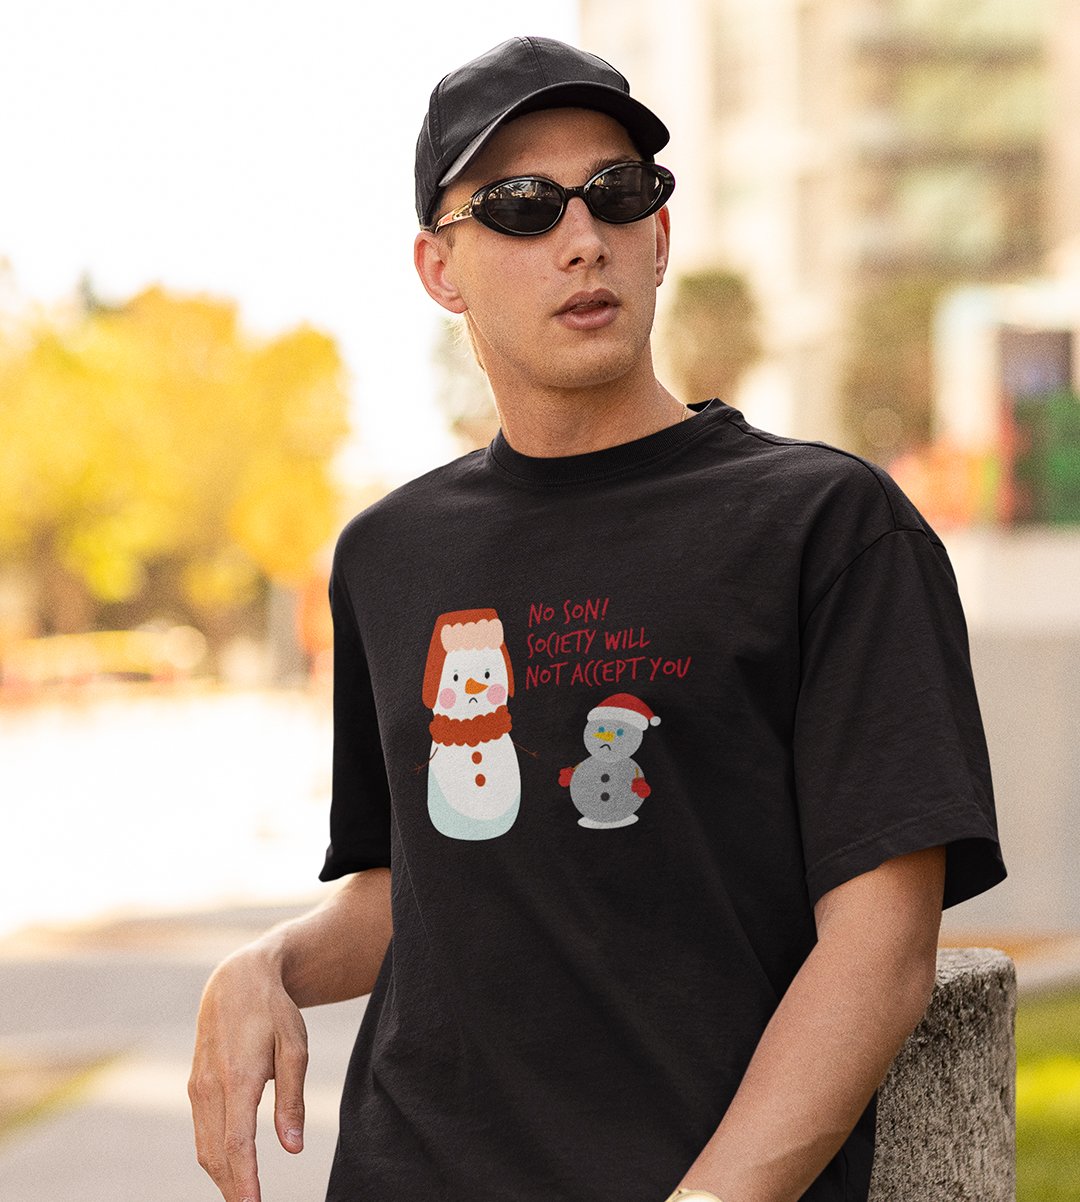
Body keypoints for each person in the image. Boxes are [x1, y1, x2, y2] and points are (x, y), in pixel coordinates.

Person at [188, 35, 1006, 1202]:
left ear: (659, 236)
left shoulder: (829, 525)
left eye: (617, 193)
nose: (583, 237)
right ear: (440, 268)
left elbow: (883, 946)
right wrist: (267, 963)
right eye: (522, 206)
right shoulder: (388, 554)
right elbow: (409, 884)